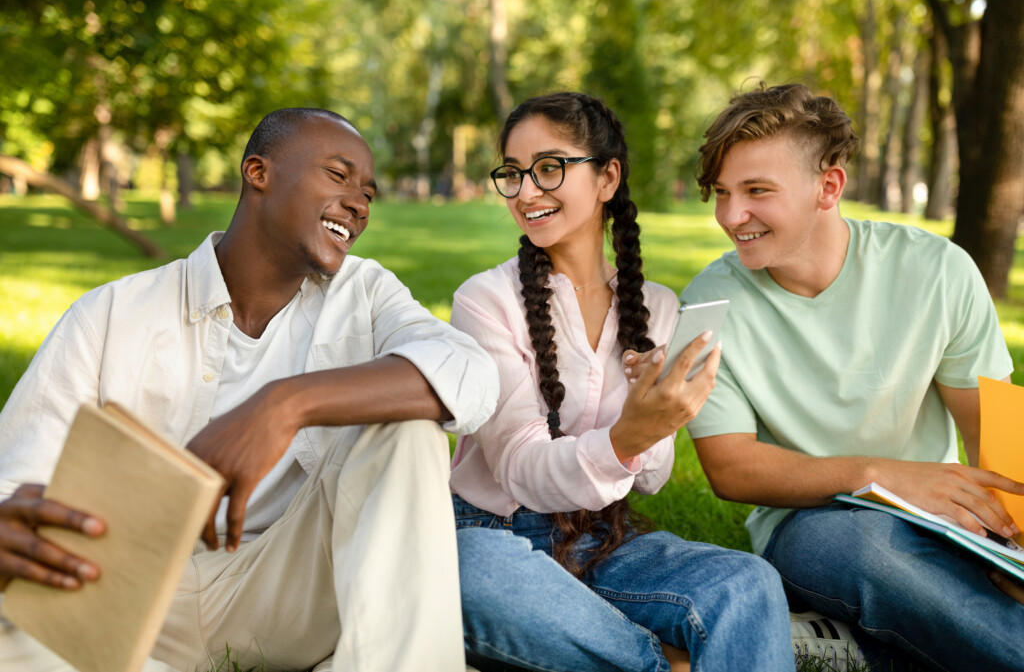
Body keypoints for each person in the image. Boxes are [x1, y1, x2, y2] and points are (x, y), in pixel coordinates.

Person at [0, 108, 499, 672]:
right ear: (257, 172)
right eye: (338, 176)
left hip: (283, 589)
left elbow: (471, 374)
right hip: (119, 592)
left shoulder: (365, 293)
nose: (359, 203)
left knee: (407, 427)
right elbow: (14, 485)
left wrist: (283, 404)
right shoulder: (110, 313)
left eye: (368, 192)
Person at [674, 82, 1024, 671]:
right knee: (861, 548)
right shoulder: (708, 303)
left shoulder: (937, 270)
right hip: (819, 527)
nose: (732, 216)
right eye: (723, 193)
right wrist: (878, 475)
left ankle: (846, 651)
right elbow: (730, 467)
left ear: (828, 187)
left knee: (923, 614)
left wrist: (1016, 543)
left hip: (944, 526)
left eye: (757, 191)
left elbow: (997, 430)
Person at [447, 92, 793, 672]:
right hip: (497, 535)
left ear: (608, 178)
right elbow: (521, 472)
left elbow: (652, 478)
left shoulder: (654, 307)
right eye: (513, 174)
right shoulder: (485, 300)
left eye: (550, 167)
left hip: (605, 539)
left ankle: (593, 636)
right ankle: (656, 660)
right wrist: (627, 436)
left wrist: (654, 415)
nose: (527, 191)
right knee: (469, 571)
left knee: (746, 582)